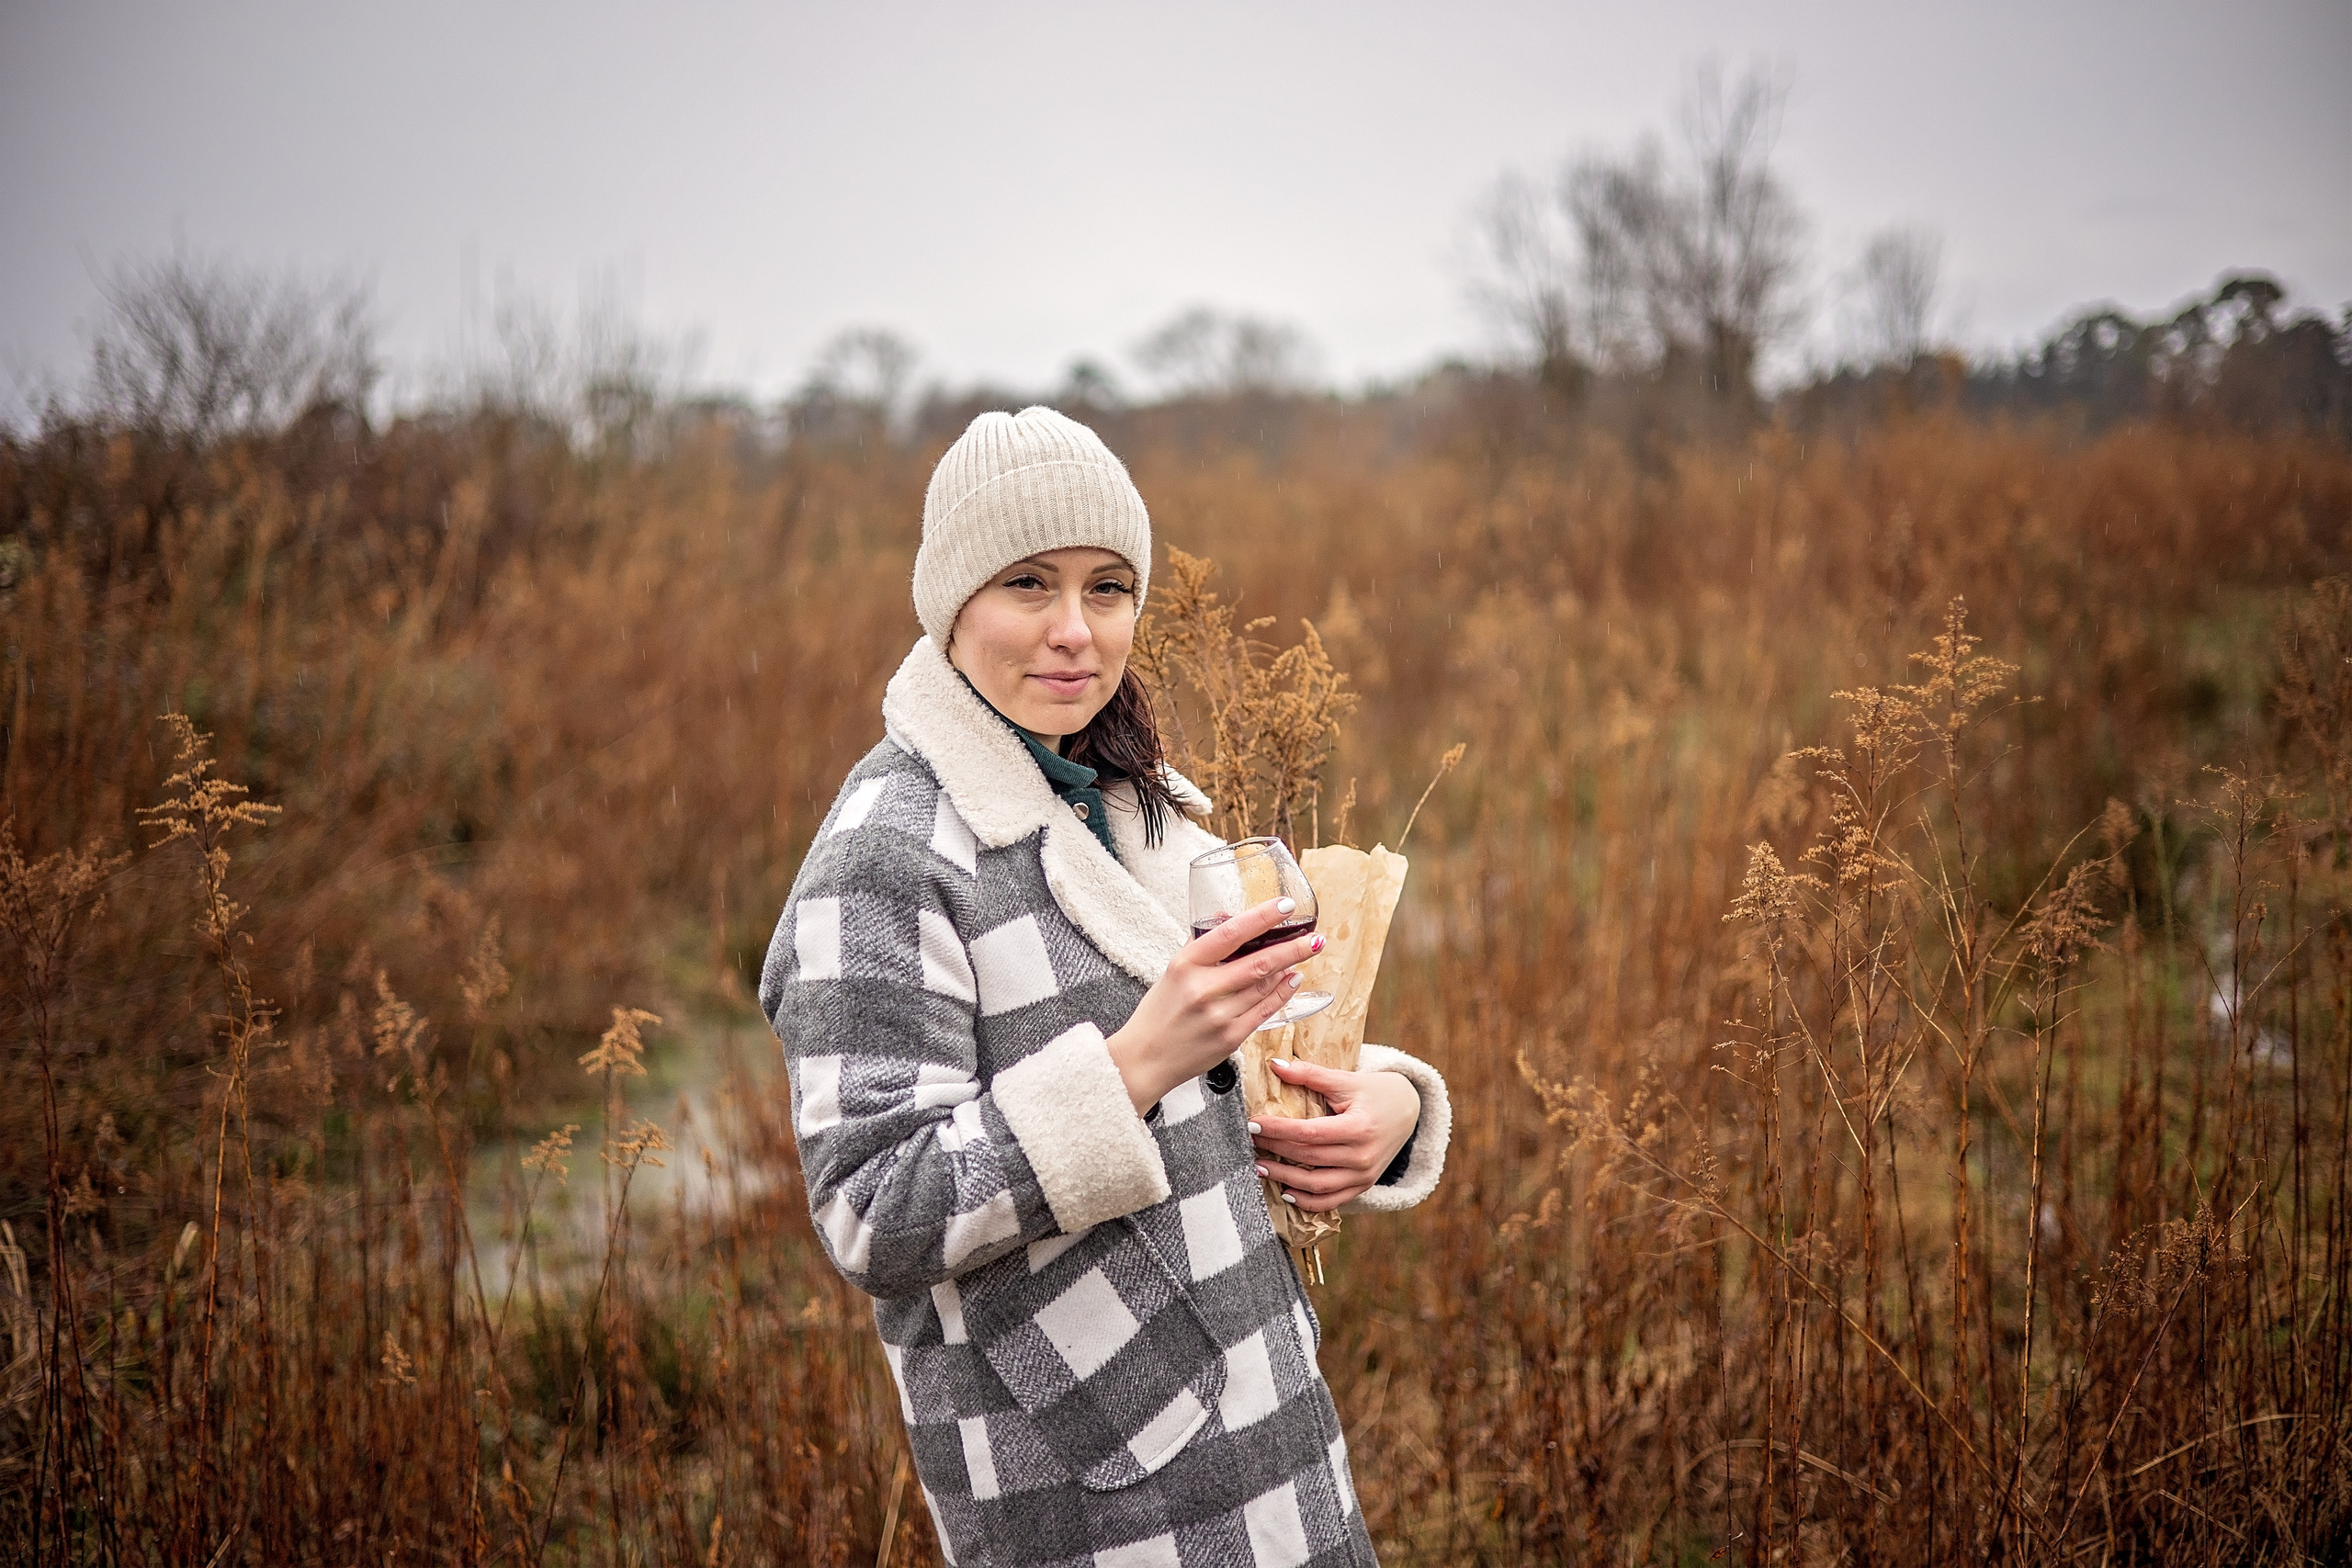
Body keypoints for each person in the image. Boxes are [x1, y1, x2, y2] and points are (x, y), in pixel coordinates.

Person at [761, 406, 1450, 1567]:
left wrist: (1388, 1112)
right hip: (1089, 1502)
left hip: (1274, 1450)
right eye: (1028, 584)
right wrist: (1135, 1064)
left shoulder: (1141, 797)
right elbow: (871, 1209)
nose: (1074, 631)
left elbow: (1234, 1050)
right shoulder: (882, 856)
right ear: (951, 605)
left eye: (1109, 587)